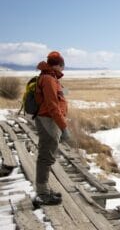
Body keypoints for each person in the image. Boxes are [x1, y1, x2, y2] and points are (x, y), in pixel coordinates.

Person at [33, 51, 70, 206]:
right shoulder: (48, 79)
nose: (63, 70)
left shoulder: (50, 77)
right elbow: (52, 105)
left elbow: (57, 99)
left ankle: (45, 190)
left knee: (46, 155)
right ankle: (42, 194)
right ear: (58, 65)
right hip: (48, 121)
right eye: (63, 67)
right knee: (46, 156)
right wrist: (64, 127)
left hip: (49, 120)